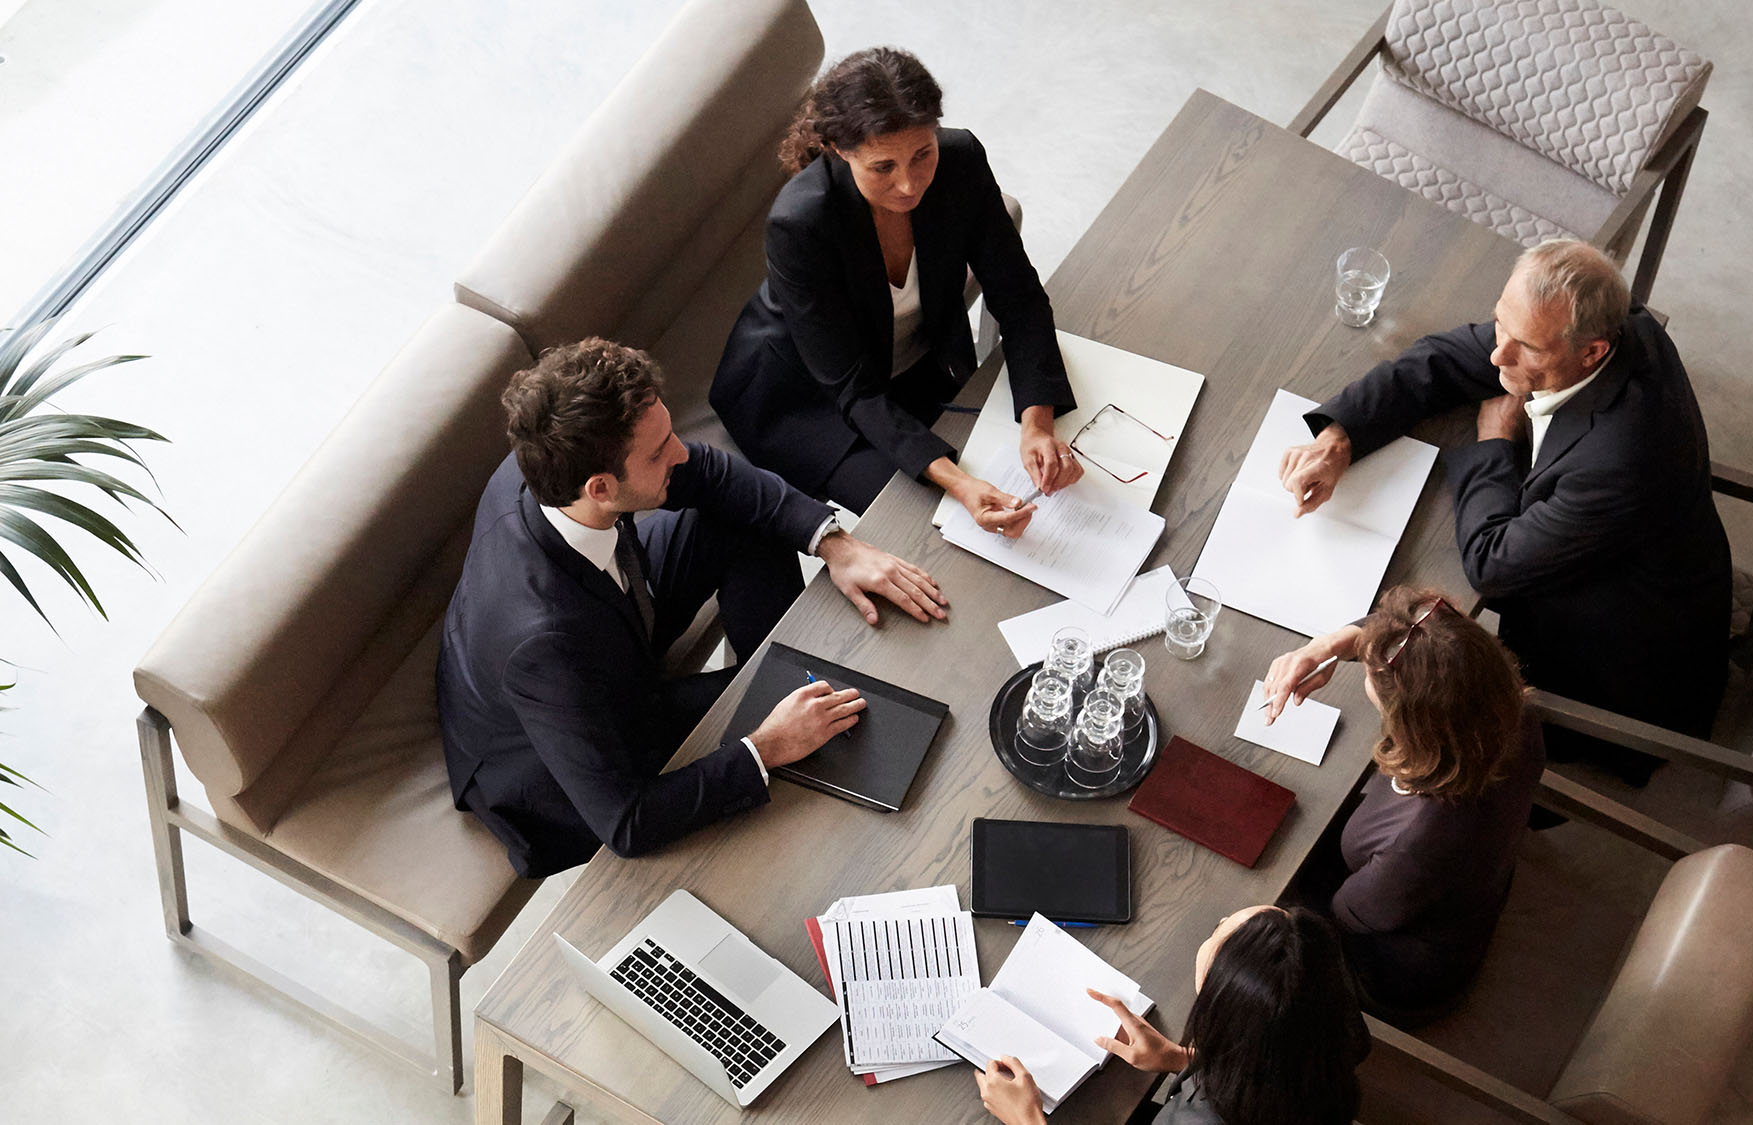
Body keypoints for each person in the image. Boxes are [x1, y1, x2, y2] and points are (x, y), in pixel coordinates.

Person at [438, 338, 947, 877]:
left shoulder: (554, 458)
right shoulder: (543, 647)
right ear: (601, 488)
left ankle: (781, 681)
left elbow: (707, 471)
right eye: (658, 453)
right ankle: (784, 718)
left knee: (745, 521)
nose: (680, 451)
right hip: (555, 749)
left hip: (603, 610)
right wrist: (764, 747)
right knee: (777, 738)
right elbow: (627, 823)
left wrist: (837, 545)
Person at [1278, 239, 1730, 782]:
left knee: (1402, 719)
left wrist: (1493, 442)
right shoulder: (1603, 321)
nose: (1498, 357)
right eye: (1499, 326)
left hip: (1614, 674)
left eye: (1526, 348)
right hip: (1633, 562)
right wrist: (1340, 438)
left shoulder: (1621, 463)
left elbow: (1493, 566)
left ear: (1592, 352)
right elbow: (1445, 358)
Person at [710, 46, 1081, 536]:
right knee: (930, 524)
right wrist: (958, 483)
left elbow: (1019, 295)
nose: (909, 185)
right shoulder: (800, 223)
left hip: (908, 364)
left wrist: (1037, 420)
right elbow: (852, 387)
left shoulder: (961, 161)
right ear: (840, 150)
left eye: (922, 154)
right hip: (801, 397)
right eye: (883, 167)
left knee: (1021, 478)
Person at [1263, 587, 1543, 1016]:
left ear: (1413, 724)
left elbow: (1347, 916)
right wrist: (1328, 645)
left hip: (1393, 966)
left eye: (1373, 679)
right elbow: (1424, 638)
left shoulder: (1416, 845)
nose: (1366, 674)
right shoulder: (1509, 710)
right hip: (1459, 884)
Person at [973, 905, 1368, 1125]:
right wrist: (1183, 1058)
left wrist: (1027, 1121)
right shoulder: (1335, 1031)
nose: (1213, 928)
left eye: (1217, 934)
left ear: (1220, 1006)